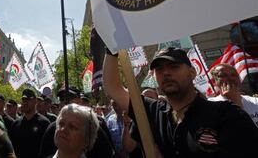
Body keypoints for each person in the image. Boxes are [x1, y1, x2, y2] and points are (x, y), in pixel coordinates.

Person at [104, 47, 258, 157]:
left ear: (192, 72)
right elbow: (113, 87)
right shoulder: (154, 111)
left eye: (174, 66)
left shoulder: (227, 114)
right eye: (159, 69)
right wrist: (112, 46)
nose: (166, 73)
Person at [39, 87, 116, 158]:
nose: (63, 129)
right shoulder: (52, 128)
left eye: (72, 127)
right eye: (62, 98)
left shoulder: (94, 125)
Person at [9, 88, 50, 158]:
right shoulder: (16, 124)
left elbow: (48, 150)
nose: (25, 103)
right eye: (24, 100)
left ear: (35, 101)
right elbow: (12, 150)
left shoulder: (44, 123)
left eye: (28, 100)